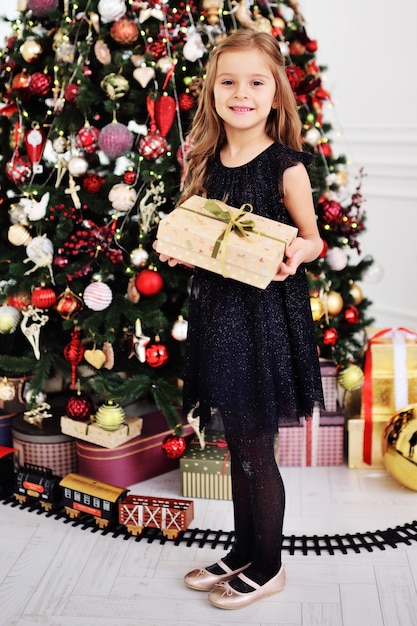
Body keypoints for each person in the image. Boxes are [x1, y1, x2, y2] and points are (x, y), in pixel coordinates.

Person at [157, 29, 324, 610]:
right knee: (237, 441)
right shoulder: (204, 163)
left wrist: (297, 253)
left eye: (256, 82)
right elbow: (194, 230)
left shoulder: (286, 166)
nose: (241, 93)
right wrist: (178, 246)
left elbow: (313, 240)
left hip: (263, 322)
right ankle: (243, 550)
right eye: (228, 81)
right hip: (218, 318)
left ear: (275, 94)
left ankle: (270, 564)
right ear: (212, 91)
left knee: (256, 448)